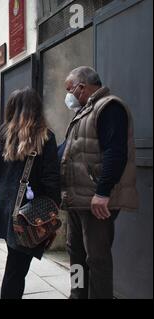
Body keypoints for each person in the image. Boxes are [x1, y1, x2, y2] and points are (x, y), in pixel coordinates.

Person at [61, 66, 138, 299]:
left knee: (97, 258)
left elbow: (116, 153)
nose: (67, 95)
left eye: (69, 89)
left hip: (95, 201)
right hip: (76, 200)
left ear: (81, 87)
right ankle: (77, 294)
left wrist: (102, 192)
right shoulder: (84, 111)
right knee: (75, 253)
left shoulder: (109, 107)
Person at [0, 88, 61, 299]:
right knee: (16, 270)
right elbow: (51, 181)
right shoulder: (45, 137)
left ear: (11, 108)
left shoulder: (2, 135)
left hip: (6, 209)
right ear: (36, 108)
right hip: (30, 215)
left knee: (15, 263)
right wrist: (52, 213)